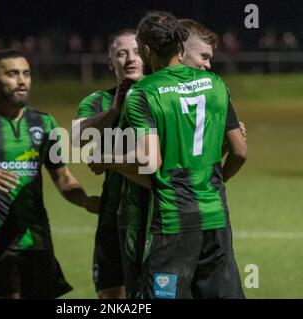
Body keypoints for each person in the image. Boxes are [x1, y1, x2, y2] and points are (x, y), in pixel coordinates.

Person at [96, 11, 247, 299]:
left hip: (174, 223)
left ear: (147, 50)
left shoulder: (143, 93)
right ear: (180, 46)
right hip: (216, 217)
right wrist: (216, 181)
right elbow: (240, 151)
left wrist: (108, 161)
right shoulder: (216, 84)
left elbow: (151, 162)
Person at [0, 49, 99, 299]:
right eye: (12, 74)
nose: (21, 80)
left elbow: (62, 177)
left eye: (26, 74)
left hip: (37, 238)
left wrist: (85, 201)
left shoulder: (44, 123)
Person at [73, 29, 144, 299]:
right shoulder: (97, 101)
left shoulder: (161, 97)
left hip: (154, 217)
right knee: (111, 296)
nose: (130, 59)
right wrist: (114, 110)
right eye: (121, 53)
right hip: (112, 216)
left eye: (137, 51)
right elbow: (78, 138)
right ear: (110, 62)